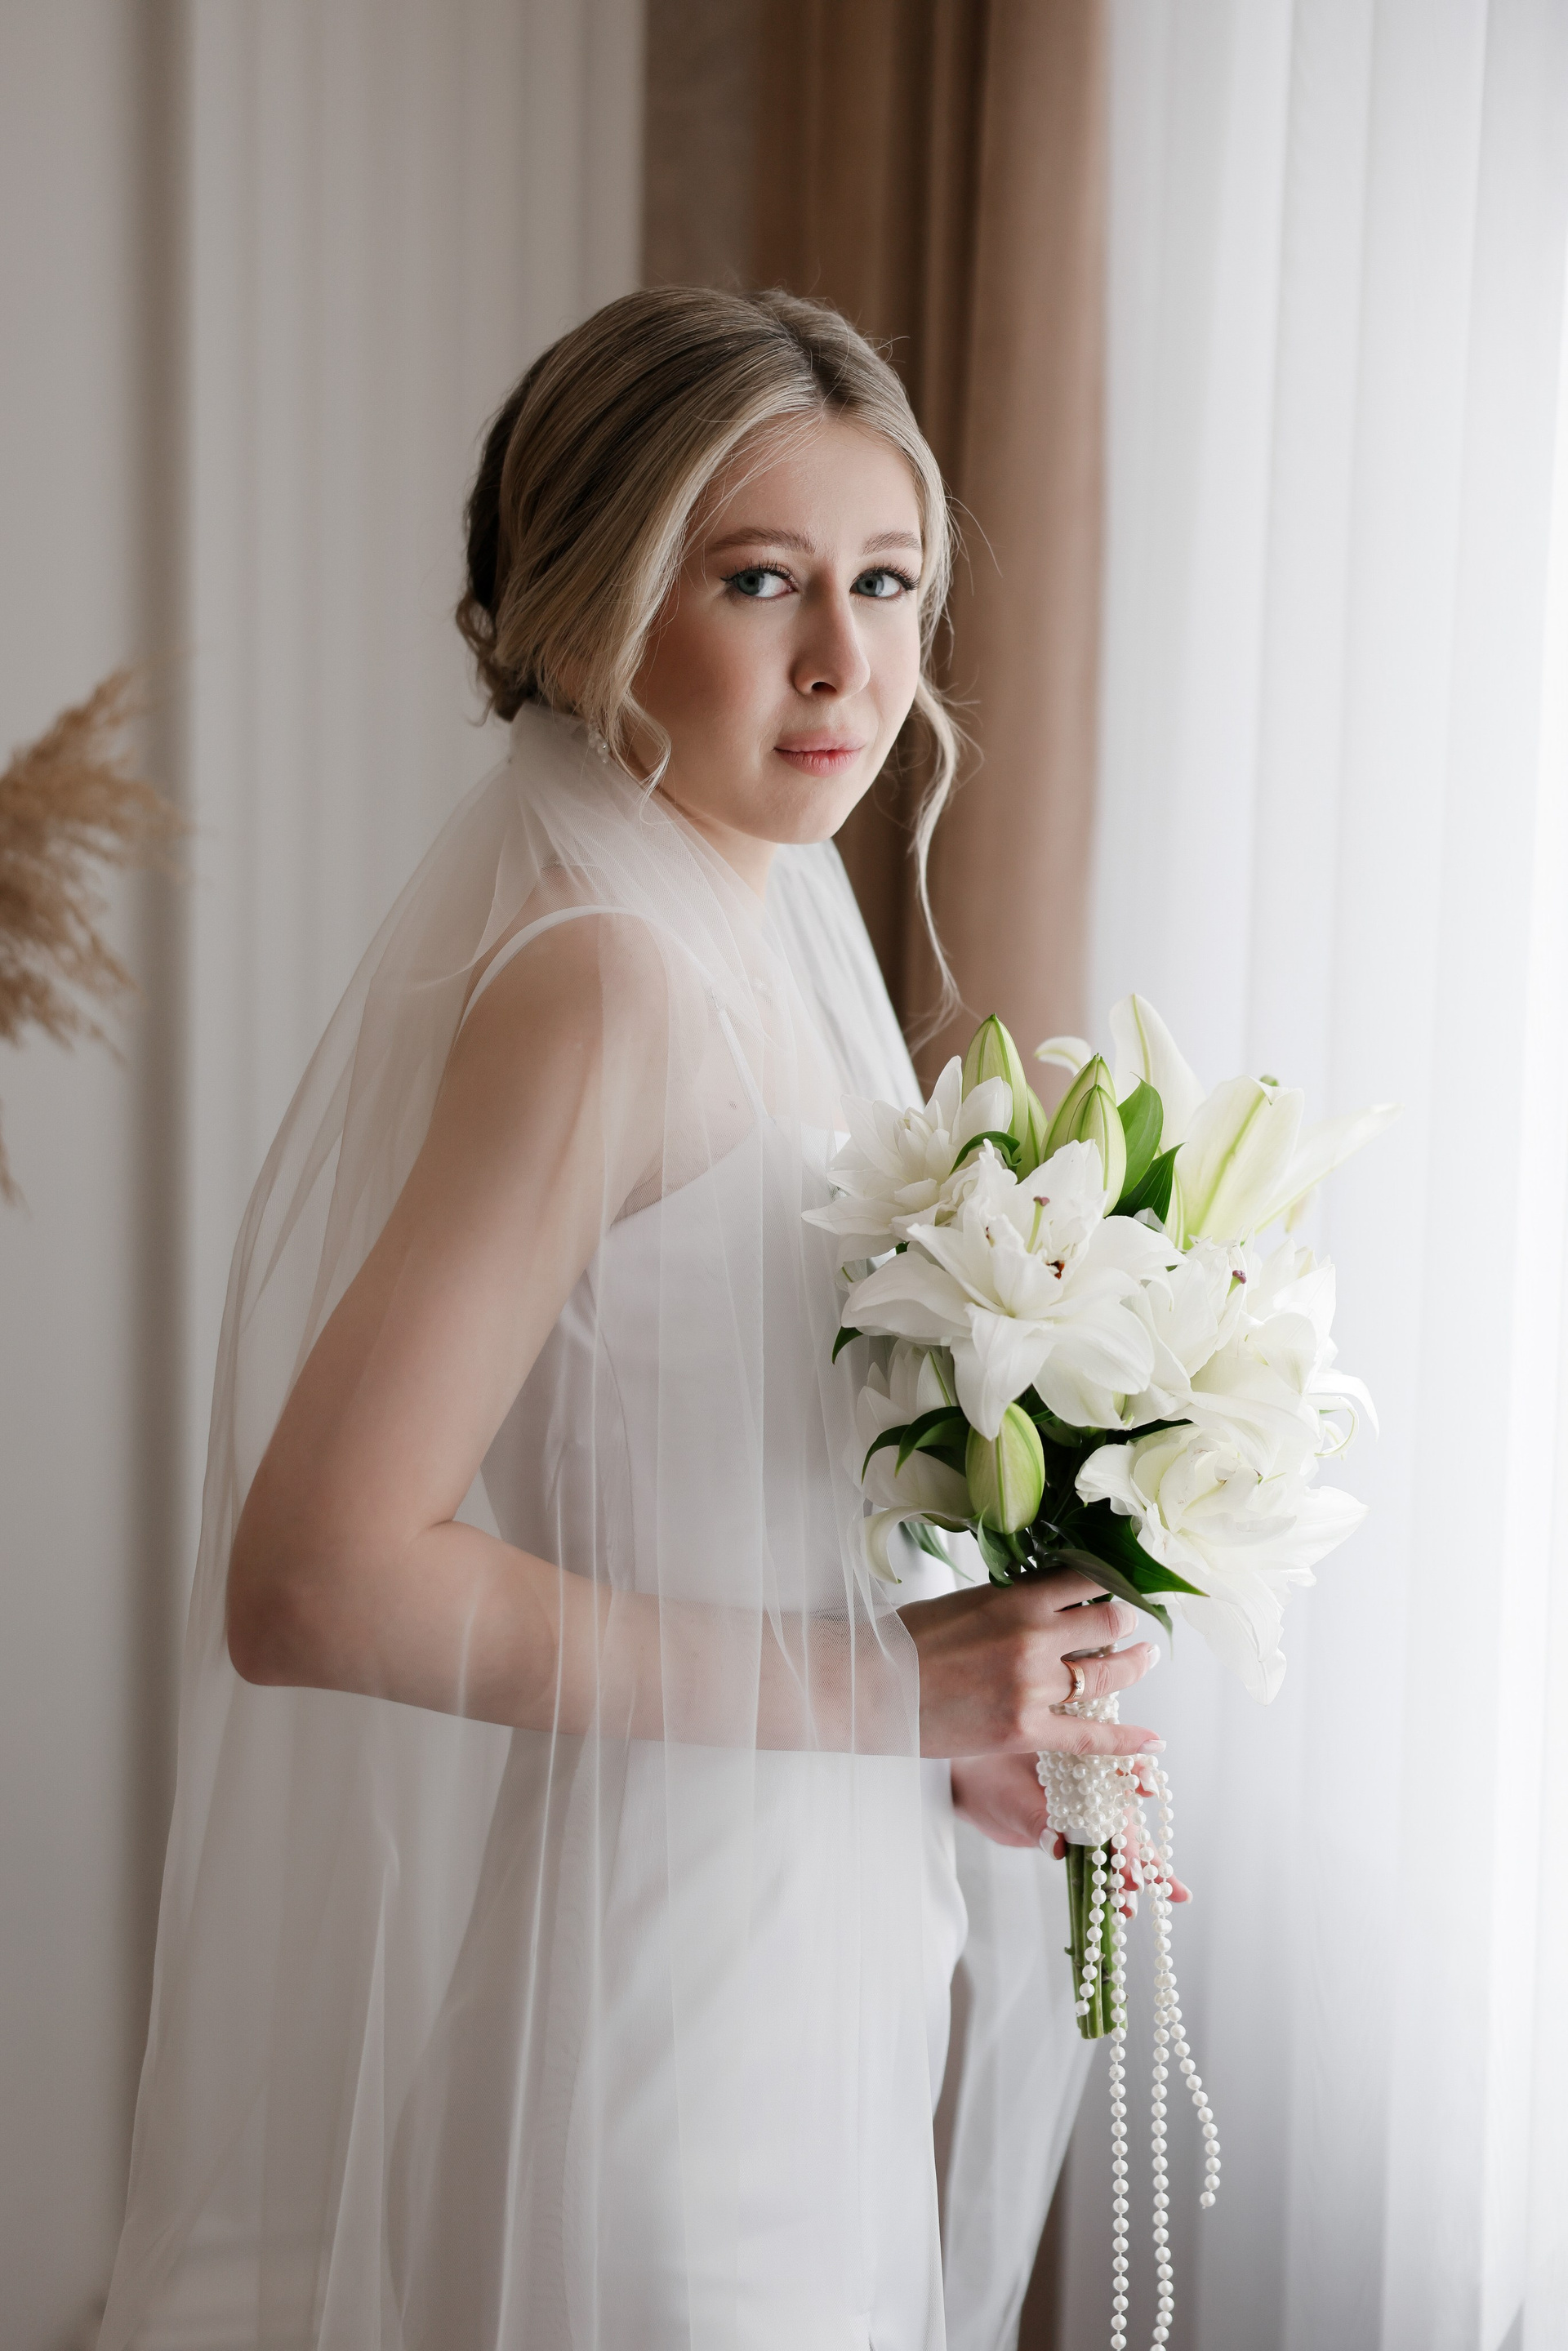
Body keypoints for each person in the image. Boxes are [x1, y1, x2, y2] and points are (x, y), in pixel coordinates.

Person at [99, 287, 1164, 2351]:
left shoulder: (758, 930)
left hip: (823, 1967)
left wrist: (963, 1726)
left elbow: (758, 1494)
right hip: (666, 2028)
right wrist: (879, 1689)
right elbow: (314, 1584)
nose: (845, 659)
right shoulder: (608, 984)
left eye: (887, 581)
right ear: (595, 610)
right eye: (759, 581)